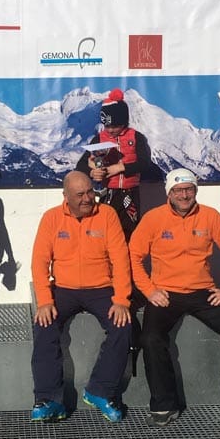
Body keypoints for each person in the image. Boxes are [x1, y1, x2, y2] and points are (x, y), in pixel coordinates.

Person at [129, 168, 220, 430]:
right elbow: (133, 255)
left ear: (195, 191)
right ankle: (164, 405)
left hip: (203, 291)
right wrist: (149, 290)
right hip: (166, 293)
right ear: (169, 193)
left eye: (189, 189)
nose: (184, 195)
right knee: (150, 338)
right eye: (178, 190)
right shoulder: (154, 218)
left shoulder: (209, 216)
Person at [30, 170, 132, 423]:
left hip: (101, 288)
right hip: (63, 288)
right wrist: (44, 301)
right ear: (65, 196)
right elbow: (40, 261)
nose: (87, 198)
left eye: (90, 192)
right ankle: (49, 399)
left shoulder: (107, 215)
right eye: (80, 194)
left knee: (123, 326)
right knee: (44, 325)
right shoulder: (52, 218)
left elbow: (121, 259)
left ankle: (100, 390)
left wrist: (122, 300)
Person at [76, 88, 152, 241]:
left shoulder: (136, 137)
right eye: (107, 126)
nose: (110, 130)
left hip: (130, 192)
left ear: (124, 122)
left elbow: (145, 164)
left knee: (130, 230)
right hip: (107, 192)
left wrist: (121, 167)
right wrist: (92, 172)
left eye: (115, 126)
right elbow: (81, 165)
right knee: (107, 231)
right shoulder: (99, 139)